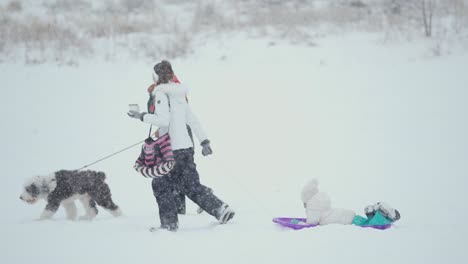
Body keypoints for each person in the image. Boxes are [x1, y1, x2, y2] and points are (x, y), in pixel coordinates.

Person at [128, 60, 234, 231]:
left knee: (161, 184)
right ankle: (221, 209)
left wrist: (141, 116)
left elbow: (163, 120)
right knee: (190, 185)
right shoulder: (179, 93)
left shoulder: (161, 94)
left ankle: (169, 224)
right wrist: (204, 141)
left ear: (156, 77)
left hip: (170, 150)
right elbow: (192, 119)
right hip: (186, 148)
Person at [301, 179, 400, 226]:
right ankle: (375, 213)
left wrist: (300, 223)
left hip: (346, 221)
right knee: (365, 223)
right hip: (348, 215)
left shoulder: (312, 206)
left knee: (370, 226)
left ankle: (382, 217)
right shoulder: (321, 200)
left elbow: (311, 223)